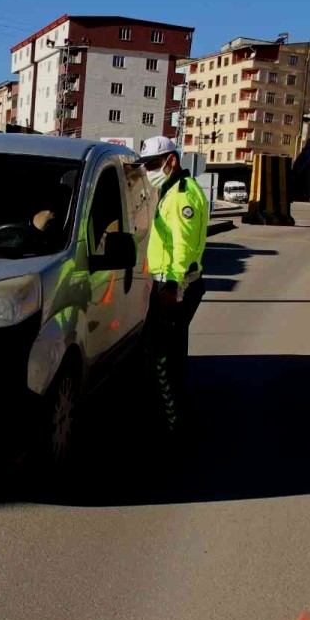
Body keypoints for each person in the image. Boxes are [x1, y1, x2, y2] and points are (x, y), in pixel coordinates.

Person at [137, 136, 209, 434]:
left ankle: (172, 425)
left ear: (171, 160)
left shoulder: (181, 195)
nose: (150, 170)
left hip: (175, 287)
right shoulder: (172, 191)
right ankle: (173, 418)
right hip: (170, 284)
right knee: (169, 356)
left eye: (154, 164)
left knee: (163, 359)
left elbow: (182, 245)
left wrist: (173, 287)